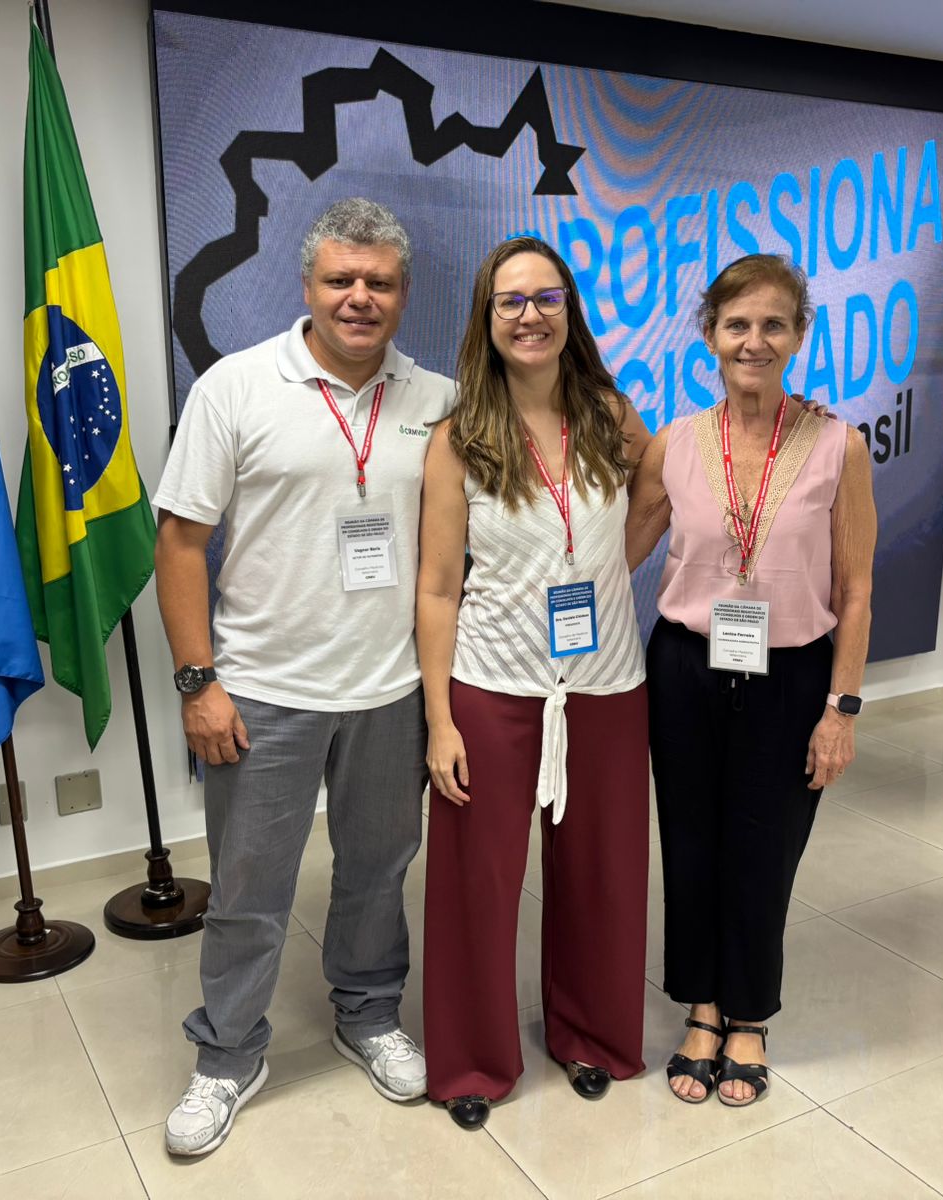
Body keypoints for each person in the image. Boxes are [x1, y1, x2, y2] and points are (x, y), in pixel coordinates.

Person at [152, 198, 453, 1157]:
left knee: (376, 873)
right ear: (308, 287)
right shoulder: (236, 388)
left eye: (380, 283)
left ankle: (367, 1016)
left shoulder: (438, 401)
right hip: (262, 693)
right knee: (248, 887)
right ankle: (228, 1054)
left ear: (405, 294)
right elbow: (181, 541)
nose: (359, 298)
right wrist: (199, 682)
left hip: (390, 692)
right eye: (341, 279)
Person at [626, 254, 876, 1106]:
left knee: (765, 850)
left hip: (792, 676)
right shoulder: (675, 442)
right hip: (687, 667)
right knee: (690, 843)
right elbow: (617, 547)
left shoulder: (840, 446)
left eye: (774, 325)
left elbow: (856, 588)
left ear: (800, 336)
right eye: (737, 325)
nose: (754, 341)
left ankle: (750, 1015)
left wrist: (841, 707)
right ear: (709, 336)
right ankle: (701, 1004)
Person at [416, 237, 652, 1130]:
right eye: (509, 301)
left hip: (604, 683)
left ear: (569, 311)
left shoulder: (609, 415)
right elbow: (437, 588)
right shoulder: (460, 438)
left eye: (545, 298)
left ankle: (591, 1035)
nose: (529, 315)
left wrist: (603, 572)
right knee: (477, 882)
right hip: (490, 682)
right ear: (487, 318)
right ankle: (475, 1061)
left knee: (603, 871)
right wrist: (440, 719)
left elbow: (671, 489)